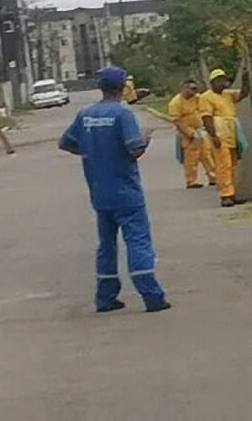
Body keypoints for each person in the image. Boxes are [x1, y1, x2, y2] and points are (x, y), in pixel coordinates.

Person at [58, 66, 170, 314]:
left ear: (100, 86)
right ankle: (152, 296)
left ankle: (105, 297)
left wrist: (93, 153)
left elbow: (65, 143)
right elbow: (134, 150)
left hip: (99, 192)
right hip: (126, 191)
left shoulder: (85, 114)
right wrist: (146, 139)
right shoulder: (123, 115)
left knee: (106, 245)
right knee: (138, 241)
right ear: (123, 87)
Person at [199, 66, 250, 207]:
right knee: (224, 165)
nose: (223, 83)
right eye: (220, 81)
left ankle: (232, 193)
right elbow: (207, 118)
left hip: (231, 132)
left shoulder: (228, 94)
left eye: (224, 80)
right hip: (219, 133)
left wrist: (246, 80)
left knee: (233, 165)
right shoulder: (206, 97)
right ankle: (225, 195)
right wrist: (213, 136)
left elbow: (244, 94)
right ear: (213, 83)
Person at [166, 77, 213, 189]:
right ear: (184, 88)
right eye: (192, 89)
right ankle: (191, 181)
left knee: (207, 155)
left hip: (200, 130)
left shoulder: (198, 98)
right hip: (188, 133)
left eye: (196, 89)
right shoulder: (176, 102)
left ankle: (213, 177)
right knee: (191, 159)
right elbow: (177, 121)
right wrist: (190, 134)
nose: (194, 91)